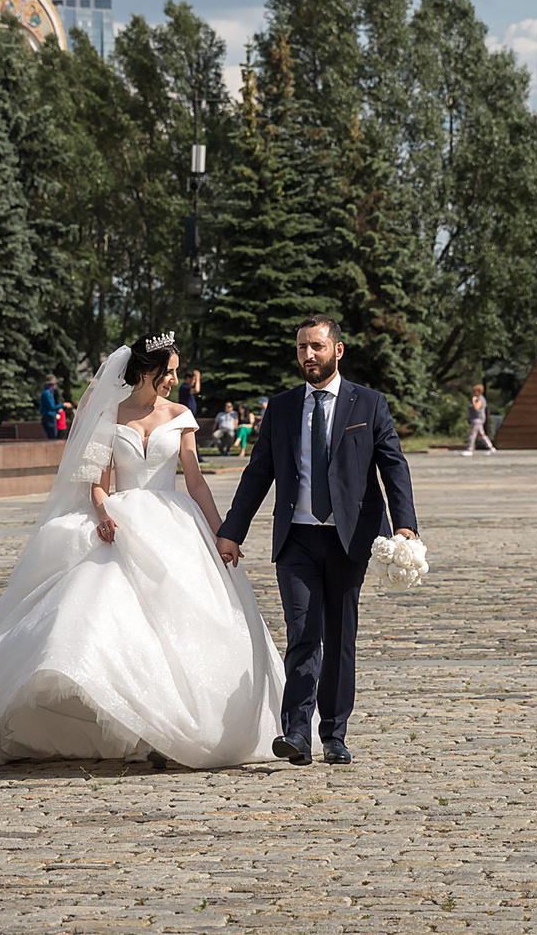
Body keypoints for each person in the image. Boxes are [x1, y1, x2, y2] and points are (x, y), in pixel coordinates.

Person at [0, 333, 281, 768]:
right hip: (122, 520)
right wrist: (102, 512)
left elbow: (195, 483)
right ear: (147, 371)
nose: (175, 379)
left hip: (175, 522)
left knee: (181, 619)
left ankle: (173, 722)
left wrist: (221, 532)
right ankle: (124, 713)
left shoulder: (181, 415)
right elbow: (97, 483)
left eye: (175, 371)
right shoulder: (109, 415)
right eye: (168, 371)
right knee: (105, 617)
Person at [215, 316, 420, 766]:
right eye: (302, 347)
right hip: (297, 539)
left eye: (317, 347)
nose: (309, 355)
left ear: (337, 350)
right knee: (303, 632)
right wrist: (232, 531)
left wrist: (404, 523)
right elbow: (258, 474)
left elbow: (393, 465)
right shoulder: (283, 408)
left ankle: (335, 734)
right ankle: (295, 731)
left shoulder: (369, 404)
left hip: (350, 540)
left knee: (340, 635)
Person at [463, 384, 497, 455]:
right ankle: (491, 447)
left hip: (478, 419)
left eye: (474, 391)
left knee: (473, 434)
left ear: (479, 391)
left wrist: (473, 401)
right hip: (475, 418)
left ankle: (469, 449)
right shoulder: (477, 398)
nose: (473, 392)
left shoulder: (480, 399)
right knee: (482, 434)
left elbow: (476, 408)